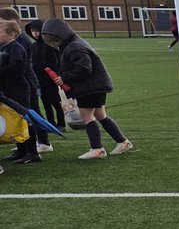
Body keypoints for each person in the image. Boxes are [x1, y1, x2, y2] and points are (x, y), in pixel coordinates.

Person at [40, 17, 133, 160]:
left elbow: (84, 68)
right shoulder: (73, 43)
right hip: (95, 85)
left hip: (90, 87)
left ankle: (97, 149)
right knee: (101, 115)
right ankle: (122, 142)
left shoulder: (74, 46)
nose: (53, 42)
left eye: (53, 38)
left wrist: (64, 78)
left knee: (87, 117)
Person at [0, 9, 46, 158]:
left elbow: (16, 68)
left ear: (11, 34)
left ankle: (32, 152)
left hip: (19, 88)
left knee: (25, 119)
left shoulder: (17, 47)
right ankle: (21, 150)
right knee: (15, 119)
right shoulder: (5, 47)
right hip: (8, 88)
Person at [27, 20, 65, 133]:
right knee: (45, 103)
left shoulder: (49, 45)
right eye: (33, 31)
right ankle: (51, 123)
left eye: (37, 30)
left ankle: (61, 123)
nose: (35, 33)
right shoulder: (33, 46)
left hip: (50, 79)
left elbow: (55, 63)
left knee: (55, 102)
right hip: (39, 79)